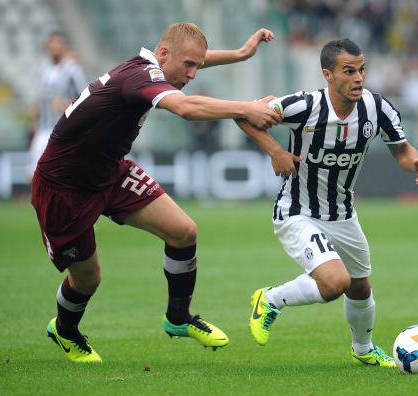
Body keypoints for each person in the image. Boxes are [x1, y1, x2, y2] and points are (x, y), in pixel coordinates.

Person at [31, 23, 282, 363]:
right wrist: (245, 107)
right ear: (163, 55)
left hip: (109, 172)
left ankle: (177, 318)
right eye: (189, 66)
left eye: (198, 64)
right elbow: (186, 109)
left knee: (183, 231)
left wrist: (240, 54)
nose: (193, 73)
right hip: (65, 187)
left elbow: (188, 62)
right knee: (88, 279)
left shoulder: (153, 66)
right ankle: (64, 329)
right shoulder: (141, 77)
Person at [235, 39, 418, 367]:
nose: (359, 78)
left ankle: (363, 348)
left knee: (360, 287)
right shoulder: (305, 106)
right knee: (335, 283)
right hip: (298, 210)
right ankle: (269, 299)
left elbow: (402, 149)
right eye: (349, 71)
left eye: (362, 69)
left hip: (342, 213)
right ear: (328, 74)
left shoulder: (377, 108)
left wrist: (417, 162)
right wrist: (276, 151)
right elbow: (243, 115)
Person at [28, 32, 86, 177]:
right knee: (34, 174)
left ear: (64, 46)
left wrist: (67, 104)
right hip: (43, 128)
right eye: (52, 42)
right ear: (47, 46)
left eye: (58, 42)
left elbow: (86, 98)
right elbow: (40, 98)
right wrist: (34, 118)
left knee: (61, 174)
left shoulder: (73, 70)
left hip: (64, 130)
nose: (55, 46)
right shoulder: (44, 69)